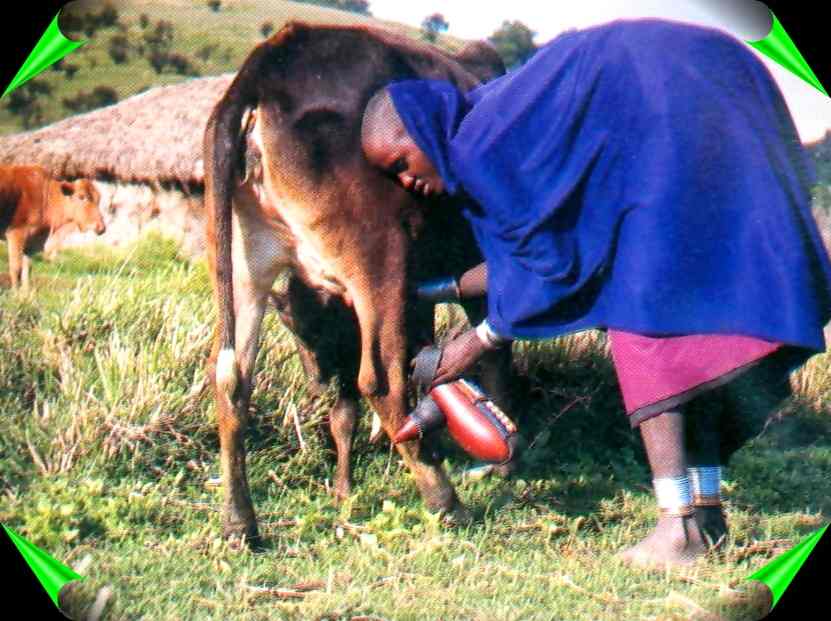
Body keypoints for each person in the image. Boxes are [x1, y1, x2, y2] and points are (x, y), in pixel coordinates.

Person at [360, 18, 831, 567]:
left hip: (677, 101)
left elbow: (556, 266)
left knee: (643, 323)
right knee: (689, 328)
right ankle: (707, 514)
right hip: (708, 81)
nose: (407, 182)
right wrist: (435, 291)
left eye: (401, 163)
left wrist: (477, 340)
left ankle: (678, 531)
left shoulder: (478, 150)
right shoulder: (489, 125)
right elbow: (539, 252)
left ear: (421, 127)